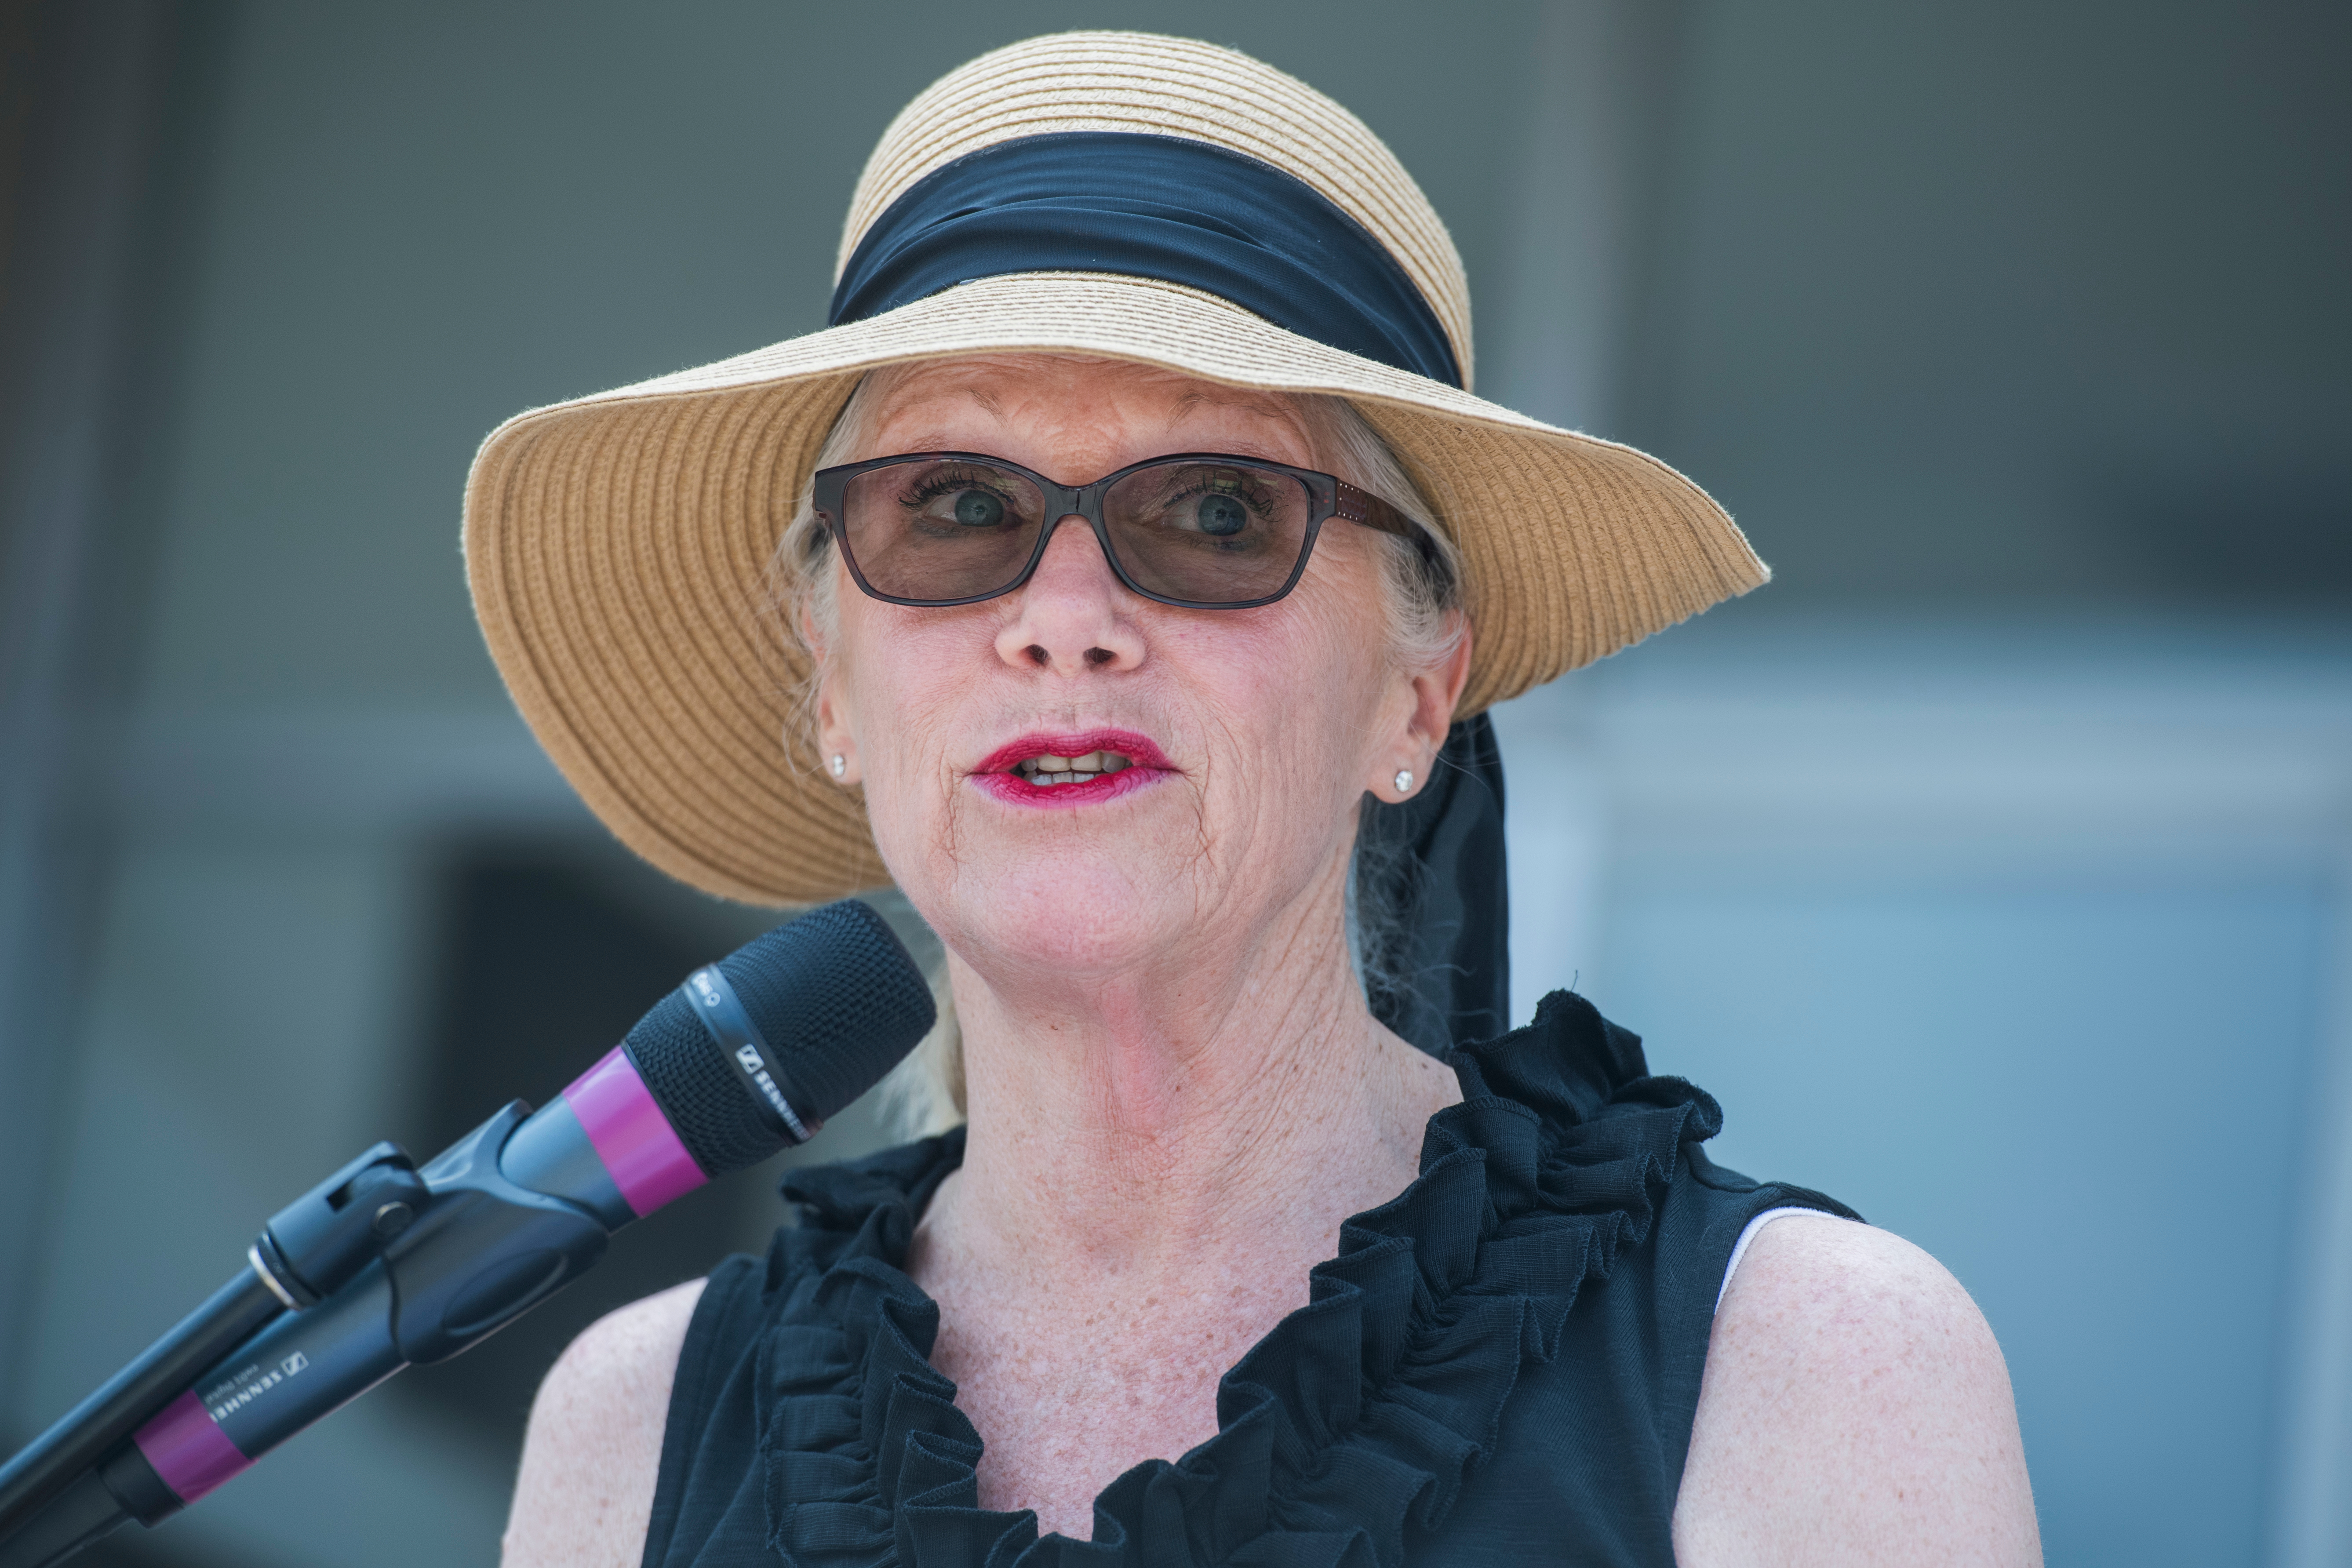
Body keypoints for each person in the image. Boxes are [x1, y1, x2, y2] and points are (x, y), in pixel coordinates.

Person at [467, 32, 2039, 1567]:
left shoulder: (1804, 1371)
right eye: (955, 506)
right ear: (830, 685)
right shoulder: (633, 1431)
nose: (1062, 614)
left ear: (1416, 693)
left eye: (1215, 511)